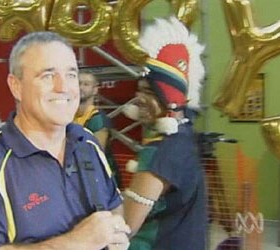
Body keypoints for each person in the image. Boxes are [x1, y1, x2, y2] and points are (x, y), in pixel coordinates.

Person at [0, 31, 130, 250]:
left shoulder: (87, 144)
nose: (64, 87)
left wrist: (114, 229)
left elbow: (113, 205)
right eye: (47, 75)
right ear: (16, 86)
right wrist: (75, 243)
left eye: (71, 74)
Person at [122, 17, 207, 250]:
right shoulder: (184, 136)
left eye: (150, 91)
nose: (140, 99)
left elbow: (127, 226)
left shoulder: (161, 151)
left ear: (170, 97)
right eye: (139, 90)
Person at [74, 71, 121, 186]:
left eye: (86, 84)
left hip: (98, 179)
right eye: (78, 83)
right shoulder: (66, 115)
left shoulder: (97, 118)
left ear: (95, 90)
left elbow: (96, 153)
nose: (81, 87)